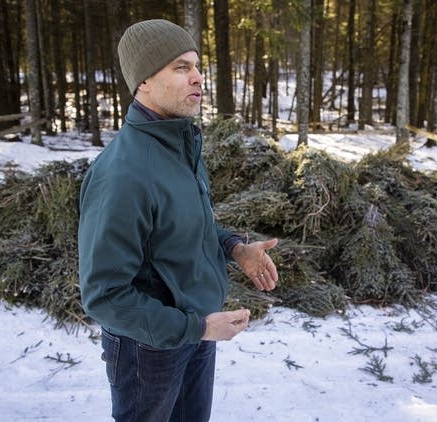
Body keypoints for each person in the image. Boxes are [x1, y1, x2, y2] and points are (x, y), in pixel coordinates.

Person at [77, 19, 279, 422]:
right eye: (181, 67)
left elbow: (185, 228)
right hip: (147, 351)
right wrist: (199, 329)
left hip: (197, 328)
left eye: (197, 66)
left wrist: (235, 247)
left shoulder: (180, 143)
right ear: (144, 83)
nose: (198, 77)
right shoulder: (123, 173)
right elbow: (104, 295)